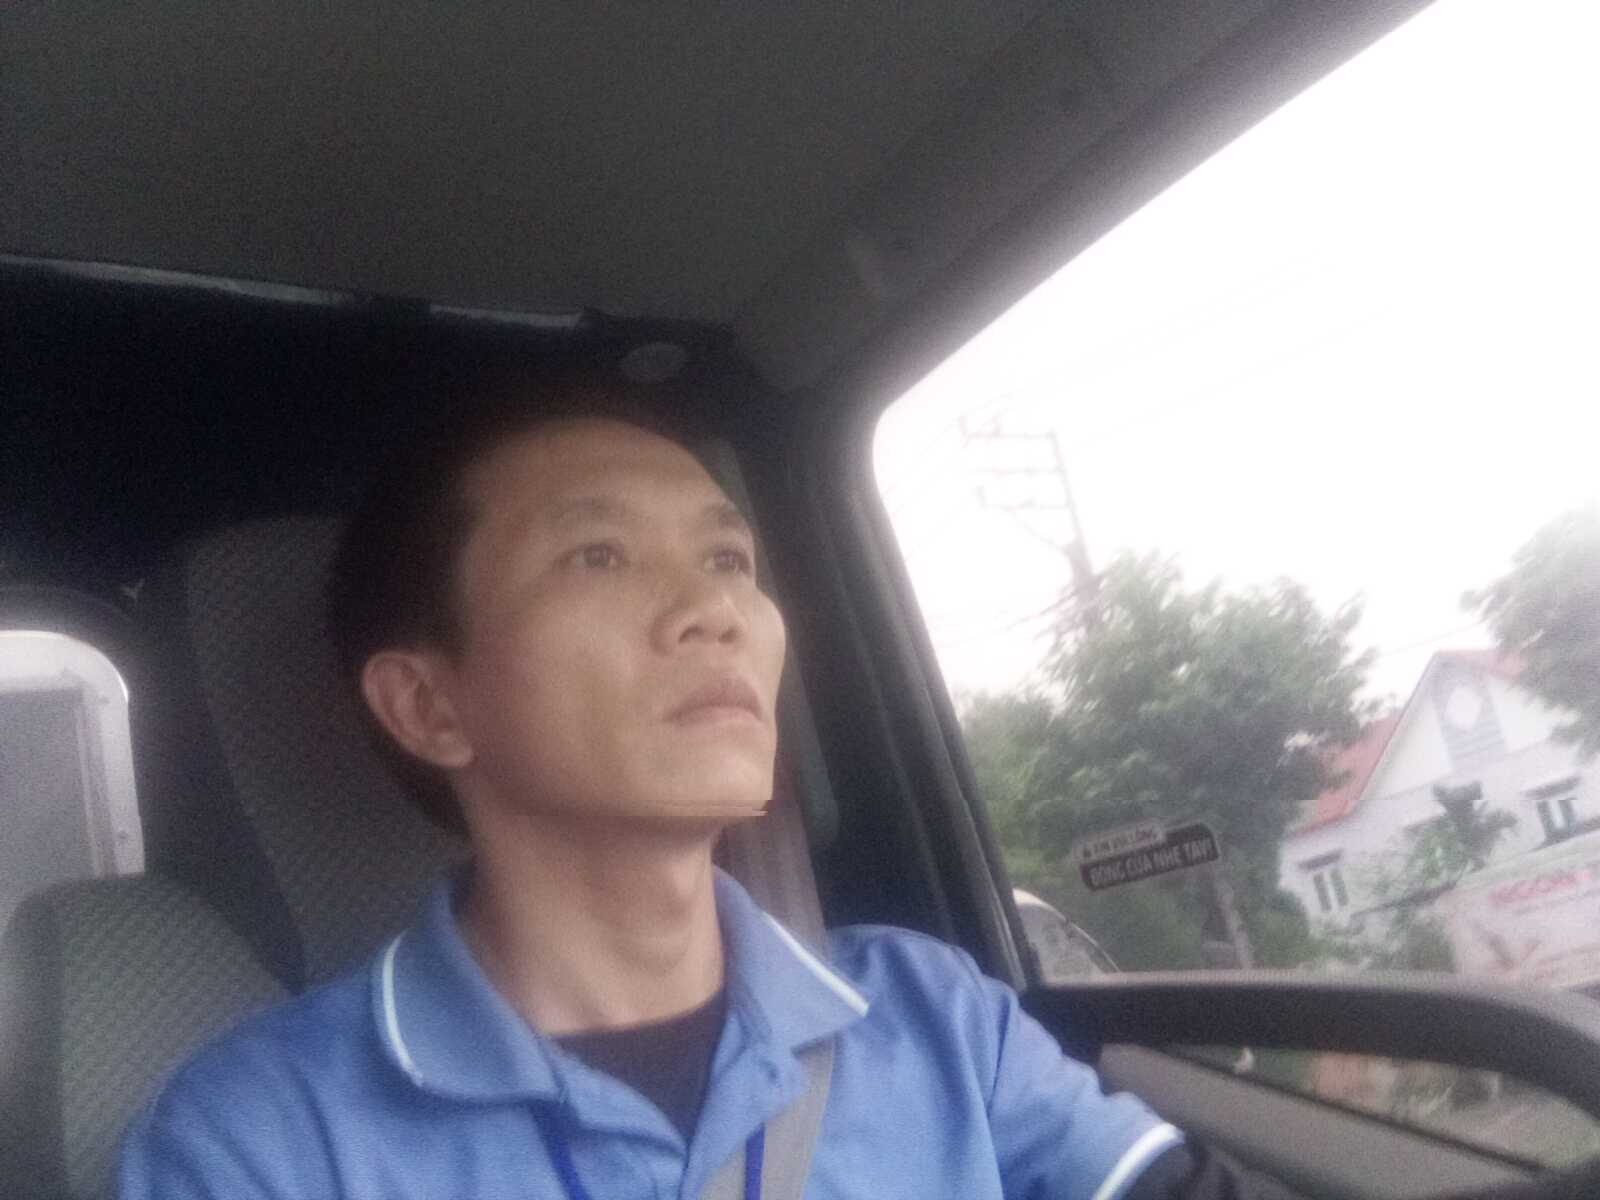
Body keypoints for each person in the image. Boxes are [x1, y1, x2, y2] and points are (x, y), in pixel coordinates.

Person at [115, 377, 1279, 1199]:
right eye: (599, 555)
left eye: (727, 558)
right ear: (429, 706)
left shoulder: (931, 1015)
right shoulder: (260, 1137)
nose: (713, 608)